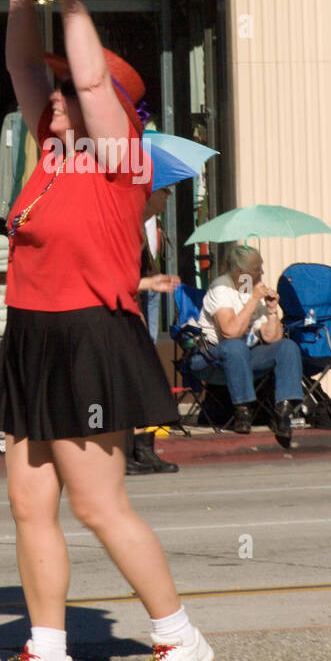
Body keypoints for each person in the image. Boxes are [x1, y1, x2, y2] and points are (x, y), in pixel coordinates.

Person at [0, 0, 213, 661]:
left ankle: (178, 636)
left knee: (97, 503)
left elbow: (85, 78)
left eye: (69, 88)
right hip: (32, 329)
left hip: (89, 331)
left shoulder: (122, 156)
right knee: (27, 500)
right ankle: (48, 656)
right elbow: (24, 66)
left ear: (106, 101)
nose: (52, 93)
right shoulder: (50, 147)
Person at [194, 243, 303, 441]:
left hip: (244, 357)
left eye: (260, 266)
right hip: (212, 358)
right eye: (256, 269)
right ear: (240, 271)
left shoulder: (251, 290)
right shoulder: (221, 288)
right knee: (236, 346)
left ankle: (283, 410)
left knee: (287, 346)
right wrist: (253, 300)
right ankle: (243, 411)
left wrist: (271, 310)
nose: (262, 272)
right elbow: (230, 332)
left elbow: (272, 338)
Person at [127, 185, 181, 475]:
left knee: (144, 382)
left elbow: (140, 272)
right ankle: (123, 452)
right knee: (128, 383)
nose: (168, 199)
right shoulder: (124, 225)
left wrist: (151, 279)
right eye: (164, 191)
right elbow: (110, 277)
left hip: (135, 310)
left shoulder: (143, 228)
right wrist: (147, 283)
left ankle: (144, 449)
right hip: (119, 312)